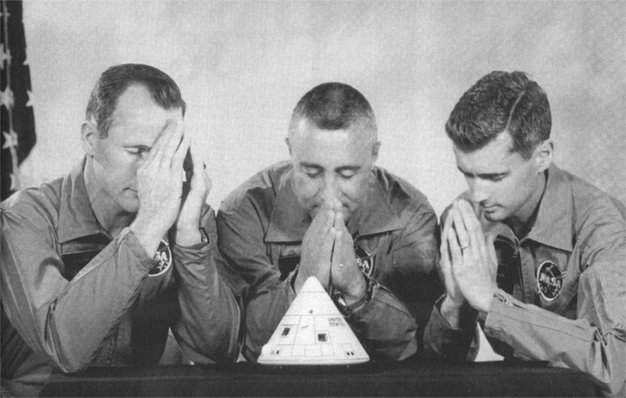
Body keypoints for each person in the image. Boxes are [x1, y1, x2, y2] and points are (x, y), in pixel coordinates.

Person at [1, 64, 242, 396]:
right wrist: (148, 226)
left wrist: (188, 237)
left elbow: (219, 353)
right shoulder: (26, 216)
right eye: (138, 151)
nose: (151, 171)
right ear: (90, 139)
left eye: (165, 153)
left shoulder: (184, 216)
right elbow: (63, 349)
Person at [425, 71, 625, 396]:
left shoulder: (603, 228)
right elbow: (433, 372)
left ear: (542, 156)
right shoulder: (464, 219)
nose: (477, 194)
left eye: (495, 176)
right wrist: (455, 305)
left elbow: (614, 370)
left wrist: (493, 303)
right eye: (468, 175)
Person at [216, 82, 441, 362]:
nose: (329, 195)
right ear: (290, 150)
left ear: (373, 155)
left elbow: (412, 351)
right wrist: (304, 282)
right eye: (312, 172)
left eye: (347, 174)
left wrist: (357, 288)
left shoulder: (412, 215)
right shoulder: (243, 213)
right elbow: (245, 346)